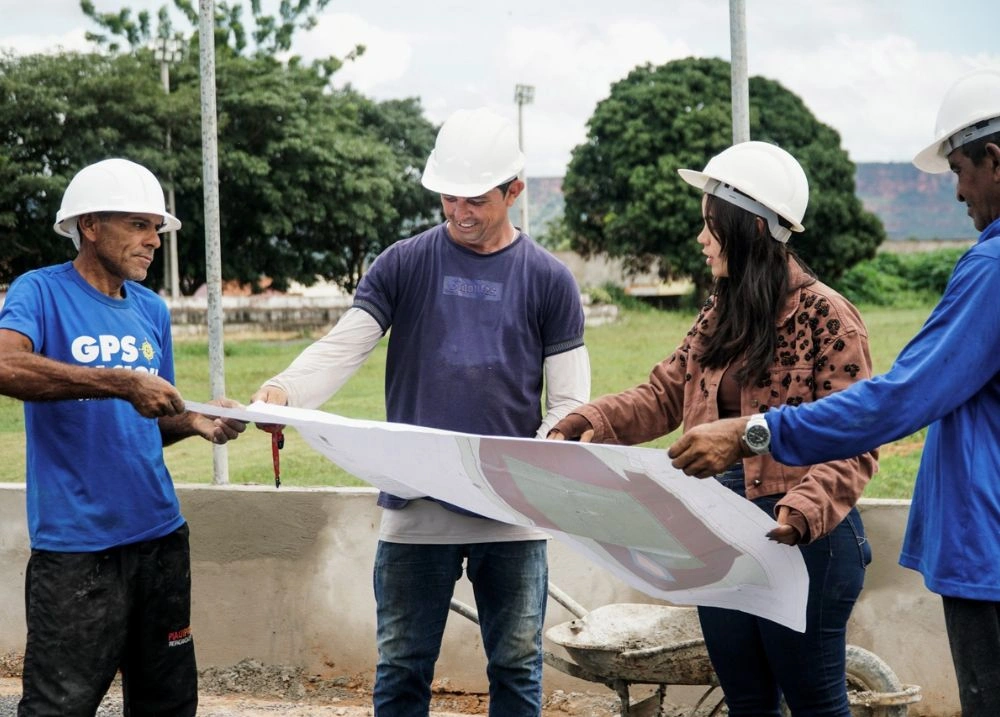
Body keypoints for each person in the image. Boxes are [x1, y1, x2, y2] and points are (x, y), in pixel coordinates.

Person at [667, 68, 1000, 717]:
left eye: (961, 168)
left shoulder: (976, 272)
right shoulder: (721, 313)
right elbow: (664, 386)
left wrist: (754, 433)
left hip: (979, 554)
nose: (958, 190)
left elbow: (894, 401)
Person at [251, 107, 590, 717]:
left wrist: (536, 461)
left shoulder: (549, 280)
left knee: (516, 668)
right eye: (448, 198)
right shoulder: (404, 263)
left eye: (476, 200)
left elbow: (568, 403)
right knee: (404, 666)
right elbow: (344, 346)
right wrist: (284, 393)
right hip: (415, 506)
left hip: (509, 511)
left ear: (513, 190)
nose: (460, 213)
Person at [549, 141, 877, 716]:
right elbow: (664, 393)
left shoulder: (829, 316)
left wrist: (802, 508)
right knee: (747, 701)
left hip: (805, 540)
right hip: (722, 535)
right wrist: (592, 418)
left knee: (815, 702)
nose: (701, 239)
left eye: (710, 225)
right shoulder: (719, 313)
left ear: (749, 227)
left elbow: (856, 438)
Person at [0, 157, 247, 716]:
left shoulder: (150, 310)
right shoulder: (39, 291)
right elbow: (6, 366)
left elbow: (145, 419)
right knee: (59, 706)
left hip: (160, 536)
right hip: (77, 546)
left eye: (156, 228)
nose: (153, 240)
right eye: (138, 224)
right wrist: (121, 382)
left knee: (167, 701)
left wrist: (196, 421)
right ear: (89, 226)